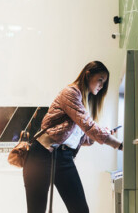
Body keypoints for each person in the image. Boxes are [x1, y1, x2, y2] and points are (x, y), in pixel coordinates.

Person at [23, 61, 123, 213]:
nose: (102, 85)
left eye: (105, 82)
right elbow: (89, 126)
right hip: (41, 154)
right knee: (36, 210)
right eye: (100, 80)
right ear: (88, 74)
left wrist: (103, 134)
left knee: (80, 210)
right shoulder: (70, 93)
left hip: (63, 157)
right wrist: (119, 145)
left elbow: (83, 137)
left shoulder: (83, 102)